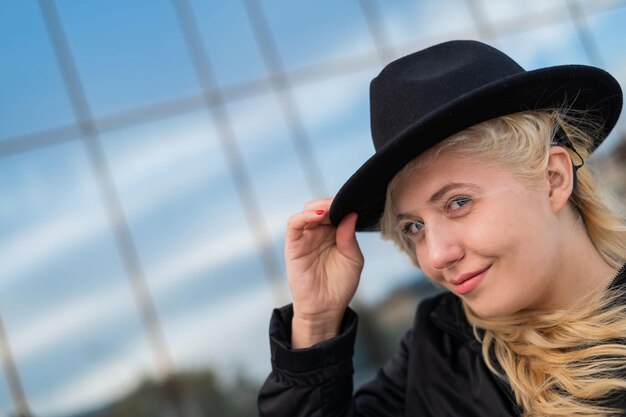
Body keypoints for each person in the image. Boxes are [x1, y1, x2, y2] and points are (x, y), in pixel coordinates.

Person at [257, 40, 626, 417]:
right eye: (414, 227)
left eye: (458, 203)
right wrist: (316, 321)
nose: (437, 255)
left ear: (553, 179)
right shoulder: (437, 351)